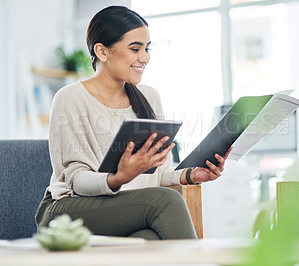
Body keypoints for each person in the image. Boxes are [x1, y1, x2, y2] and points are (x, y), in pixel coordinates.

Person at [35, 5, 232, 240]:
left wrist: (191, 175)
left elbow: (158, 174)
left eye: (147, 48)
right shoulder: (71, 98)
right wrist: (118, 177)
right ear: (102, 51)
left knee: (149, 238)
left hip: (122, 209)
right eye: (135, 48)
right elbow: (76, 180)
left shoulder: (149, 97)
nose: (145, 58)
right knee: (166, 200)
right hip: (67, 211)